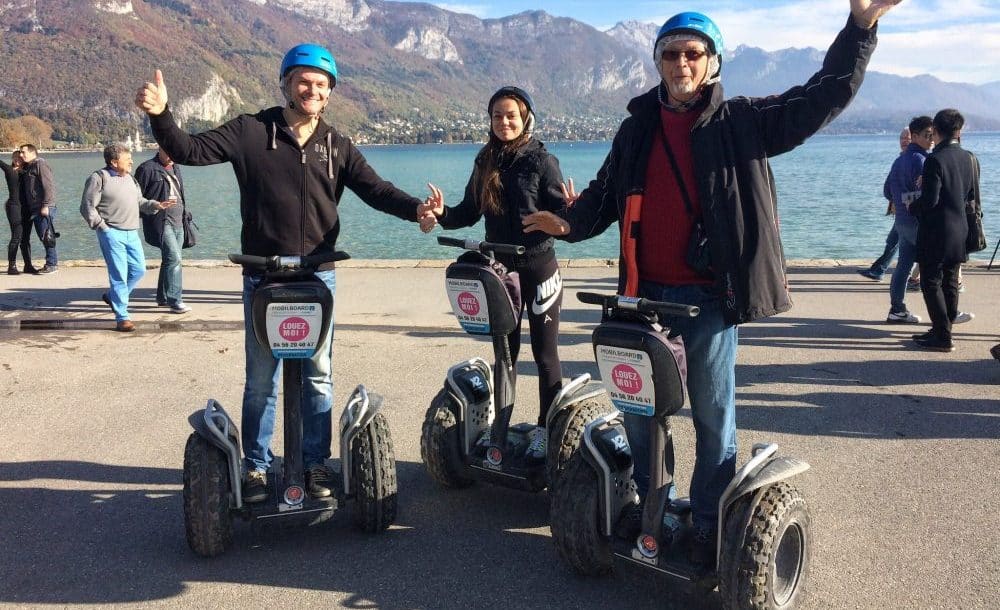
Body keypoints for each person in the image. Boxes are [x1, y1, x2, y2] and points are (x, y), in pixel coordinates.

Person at [522, 0, 902, 566]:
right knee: (641, 412)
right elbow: (603, 193)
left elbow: (823, 95)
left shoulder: (742, 121)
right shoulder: (636, 127)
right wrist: (570, 224)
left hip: (708, 299)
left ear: (712, 61)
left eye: (692, 53)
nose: (681, 63)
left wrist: (861, 29)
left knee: (712, 414)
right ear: (658, 61)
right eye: (670, 53)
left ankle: (706, 521)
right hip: (642, 297)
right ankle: (650, 507)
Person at [135, 43, 430, 503]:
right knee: (261, 380)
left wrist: (418, 212)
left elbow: (377, 191)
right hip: (264, 276)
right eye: (303, 81)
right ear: (287, 84)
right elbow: (187, 149)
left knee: (317, 375)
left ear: (330, 93)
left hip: (317, 276)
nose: (312, 90)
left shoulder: (337, 145)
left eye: (321, 84)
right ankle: (256, 466)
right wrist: (161, 114)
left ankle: (314, 464)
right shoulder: (251, 131)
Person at [419, 86, 571, 461]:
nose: (503, 122)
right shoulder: (484, 160)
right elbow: (469, 212)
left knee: (545, 353)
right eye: (496, 116)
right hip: (500, 271)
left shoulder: (542, 161)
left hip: (538, 268)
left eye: (511, 116)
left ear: (525, 119)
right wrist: (442, 214)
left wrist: (568, 213)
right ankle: (499, 430)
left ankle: (544, 431)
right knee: (505, 353)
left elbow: (563, 220)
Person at [80, 144, 176, 332]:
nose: (132, 161)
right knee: (119, 274)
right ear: (114, 162)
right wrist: (103, 227)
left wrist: (156, 205)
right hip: (111, 232)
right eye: (127, 158)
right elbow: (87, 207)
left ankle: (113, 296)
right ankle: (122, 317)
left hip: (132, 232)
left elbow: (139, 202)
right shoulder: (99, 178)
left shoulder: (131, 179)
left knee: (139, 270)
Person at [909, 108, 978, 352]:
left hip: (937, 230)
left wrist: (911, 206)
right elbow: (970, 195)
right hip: (961, 227)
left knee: (930, 282)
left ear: (936, 131)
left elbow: (930, 201)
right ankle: (944, 328)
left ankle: (942, 335)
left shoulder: (935, 160)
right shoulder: (968, 157)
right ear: (959, 131)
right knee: (950, 281)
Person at [882, 115, 934, 324]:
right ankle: (945, 313)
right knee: (933, 267)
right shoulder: (923, 161)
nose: (931, 139)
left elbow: (887, 191)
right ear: (914, 136)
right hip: (919, 222)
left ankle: (897, 309)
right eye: (927, 135)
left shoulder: (899, 160)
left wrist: (900, 199)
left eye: (933, 135)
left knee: (903, 266)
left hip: (902, 221)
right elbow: (930, 194)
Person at [135, 149, 191, 314]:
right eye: (168, 151)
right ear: (159, 149)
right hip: (160, 221)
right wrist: (147, 213)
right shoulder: (147, 168)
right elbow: (137, 198)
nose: (172, 156)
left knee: (170, 259)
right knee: (174, 258)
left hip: (179, 220)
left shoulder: (176, 167)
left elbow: (180, 193)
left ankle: (163, 297)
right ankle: (176, 300)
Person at [857, 127, 909, 281]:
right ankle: (879, 270)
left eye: (908, 137)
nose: (904, 141)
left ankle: (882, 271)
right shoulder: (901, 159)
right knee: (894, 240)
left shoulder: (912, 160)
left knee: (896, 241)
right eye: (902, 138)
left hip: (907, 210)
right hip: (900, 209)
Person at [18, 144, 58, 273]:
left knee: (47, 236)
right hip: (35, 208)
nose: (20, 155)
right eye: (20, 152)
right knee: (43, 236)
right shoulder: (29, 167)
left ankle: (52, 264)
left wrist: (46, 205)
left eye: (23, 152)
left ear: (32, 152)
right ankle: (50, 263)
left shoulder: (40, 164)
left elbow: (49, 186)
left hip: (44, 207)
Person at [3, 150, 33, 275]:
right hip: (14, 207)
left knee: (25, 238)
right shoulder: (9, 170)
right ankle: (12, 266)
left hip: (27, 208)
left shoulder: (27, 171)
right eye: (14, 157)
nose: (17, 159)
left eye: (20, 158)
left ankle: (28, 265)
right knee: (16, 236)